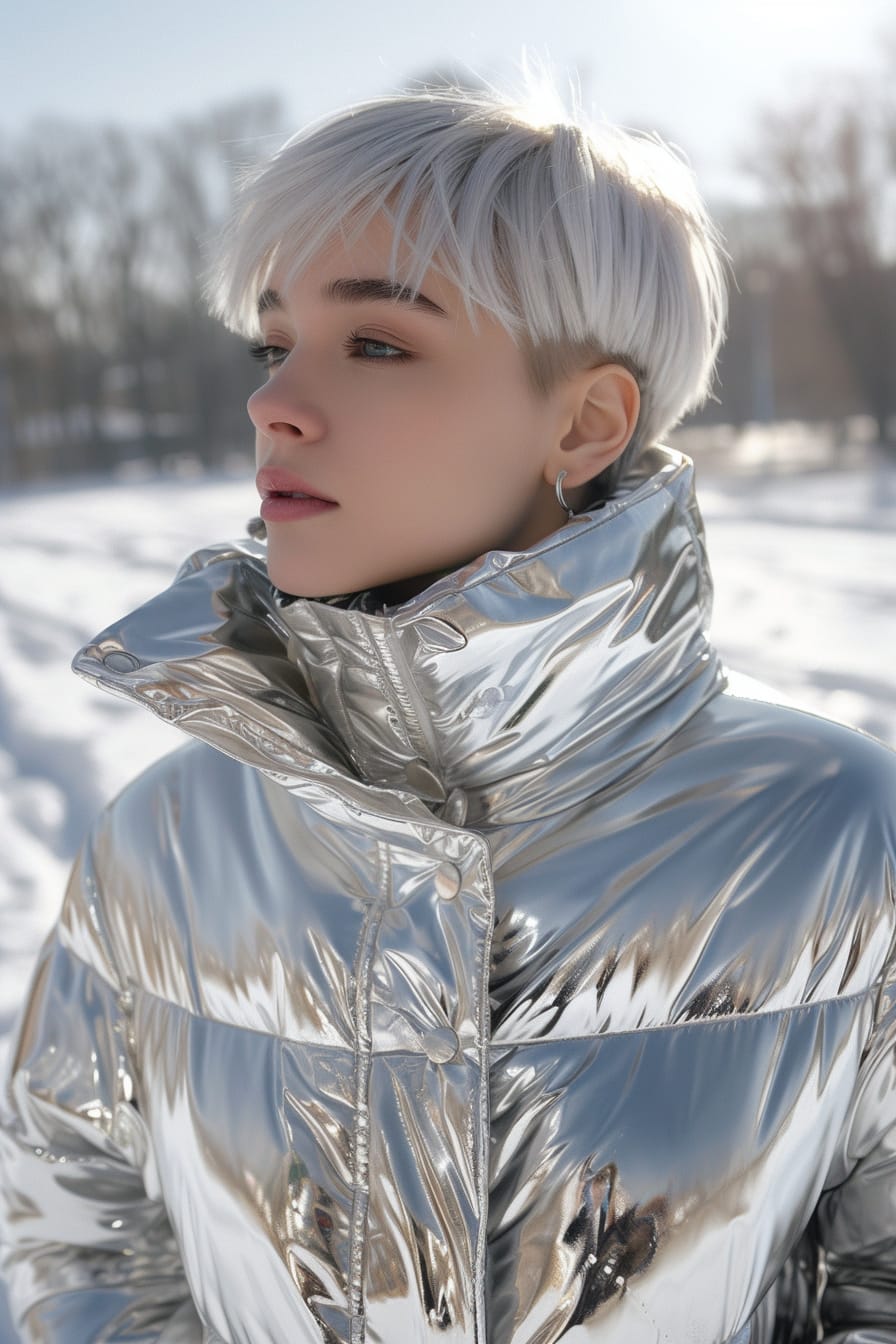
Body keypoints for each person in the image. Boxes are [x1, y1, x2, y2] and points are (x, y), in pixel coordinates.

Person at [1, 74, 894, 1344]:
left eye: (375, 343)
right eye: (273, 343)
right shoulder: (165, 844)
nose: (272, 403)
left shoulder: (837, 837)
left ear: (584, 422)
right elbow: (75, 1229)